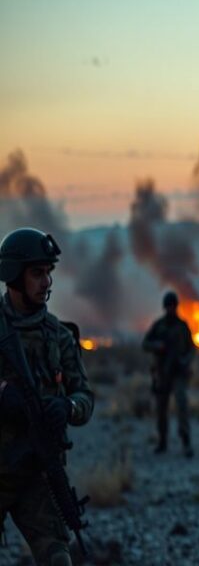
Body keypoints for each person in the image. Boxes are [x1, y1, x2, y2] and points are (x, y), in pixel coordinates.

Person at [0, 227, 94, 566]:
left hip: (36, 472)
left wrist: (66, 407)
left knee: (58, 557)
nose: (47, 282)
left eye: (49, 273)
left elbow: (85, 397)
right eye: (37, 273)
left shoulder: (59, 337)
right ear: (13, 275)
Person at [142, 290, 196, 457]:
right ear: (165, 307)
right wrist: (158, 346)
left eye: (173, 306)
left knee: (182, 405)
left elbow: (191, 348)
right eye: (168, 306)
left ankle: (185, 441)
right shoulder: (159, 326)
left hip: (178, 373)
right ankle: (162, 441)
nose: (171, 309)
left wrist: (185, 361)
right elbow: (145, 343)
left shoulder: (182, 326)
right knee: (161, 409)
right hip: (162, 373)